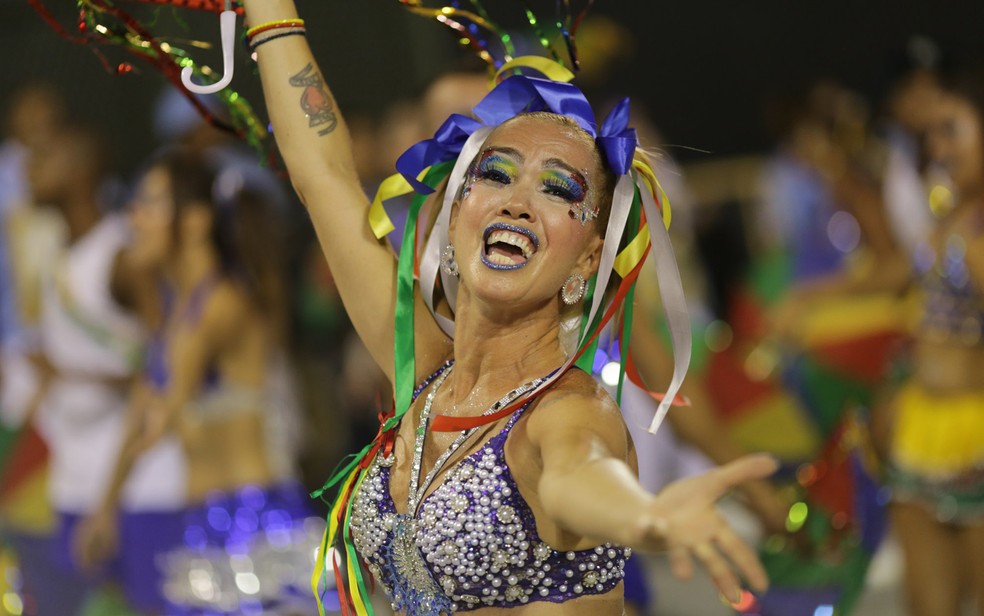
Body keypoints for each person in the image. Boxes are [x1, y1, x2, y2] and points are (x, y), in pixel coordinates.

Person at [242, 1, 776, 615]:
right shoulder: (423, 371)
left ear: (587, 260)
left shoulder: (566, 412)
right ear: (456, 209)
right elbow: (324, 176)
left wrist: (647, 516)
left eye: (557, 188)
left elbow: (581, 474)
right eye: (496, 174)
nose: (519, 201)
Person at [75, 147, 316, 614]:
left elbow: (165, 407)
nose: (135, 215)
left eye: (152, 203)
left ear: (196, 220)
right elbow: (144, 409)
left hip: (256, 522)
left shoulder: (221, 303)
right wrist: (105, 506)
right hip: (205, 525)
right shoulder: (179, 312)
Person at [25, 126, 187, 614]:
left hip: (139, 485)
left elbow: (169, 361)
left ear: (78, 174)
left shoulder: (120, 256)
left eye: (44, 158)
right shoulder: (63, 256)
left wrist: (86, 379)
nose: (28, 172)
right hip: (74, 476)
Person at [884, 72, 984, 616]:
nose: (937, 147)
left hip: (977, 438)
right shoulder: (952, 216)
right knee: (925, 604)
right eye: (934, 134)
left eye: (952, 130)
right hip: (922, 429)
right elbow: (899, 276)